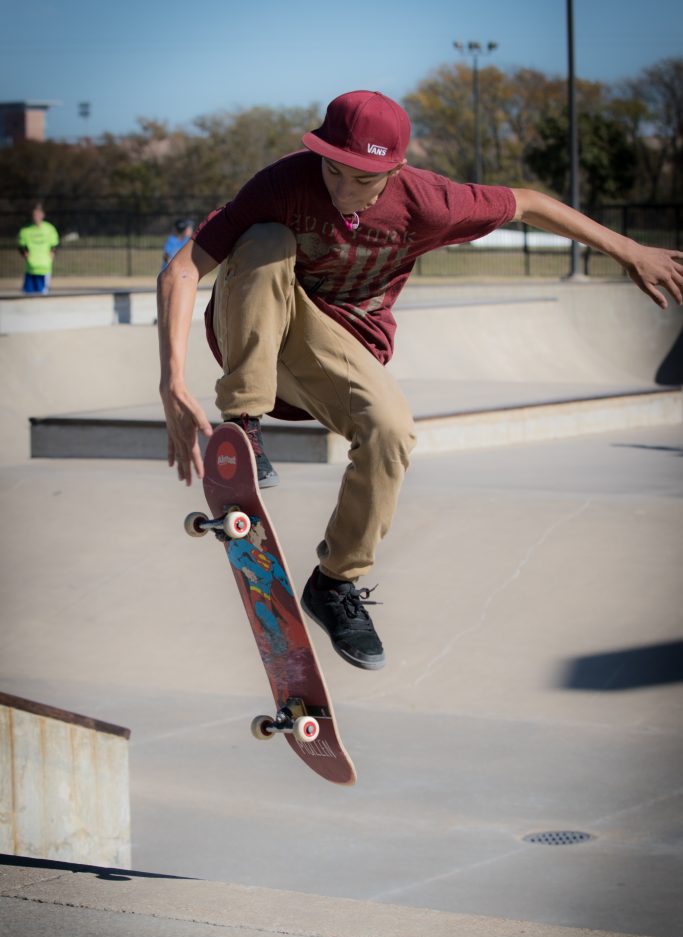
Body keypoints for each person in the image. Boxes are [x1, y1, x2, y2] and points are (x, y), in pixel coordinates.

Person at [158, 90, 683, 671]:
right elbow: (182, 268)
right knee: (265, 239)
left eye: (361, 181)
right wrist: (172, 381)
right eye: (333, 171)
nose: (341, 190)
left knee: (392, 432)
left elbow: (529, 202)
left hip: (337, 347)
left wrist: (627, 249)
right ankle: (245, 424)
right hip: (252, 325)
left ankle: (334, 583)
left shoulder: (430, 202)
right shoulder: (283, 182)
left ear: (394, 169)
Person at [17, 203, 60, 295]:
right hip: (30, 268)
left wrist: (52, 253)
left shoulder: (49, 229)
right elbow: (21, 246)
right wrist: (25, 254)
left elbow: (55, 245)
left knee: (42, 295)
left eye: (38, 214)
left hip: (44, 268)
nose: (36, 217)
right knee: (27, 295)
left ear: (43, 215)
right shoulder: (25, 231)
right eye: (34, 215)